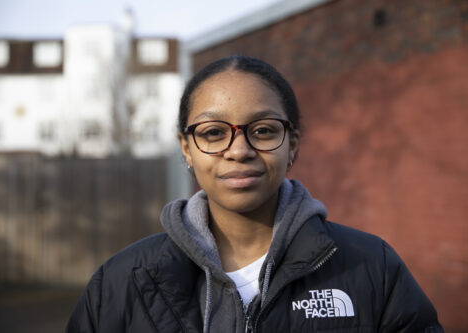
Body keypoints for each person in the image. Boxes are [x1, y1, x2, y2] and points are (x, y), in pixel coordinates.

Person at [67, 55, 442, 332]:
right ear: (186, 147)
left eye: (262, 130)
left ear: (292, 144)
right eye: (213, 132)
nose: (239, 149)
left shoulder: (372, 267)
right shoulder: (121, 281)